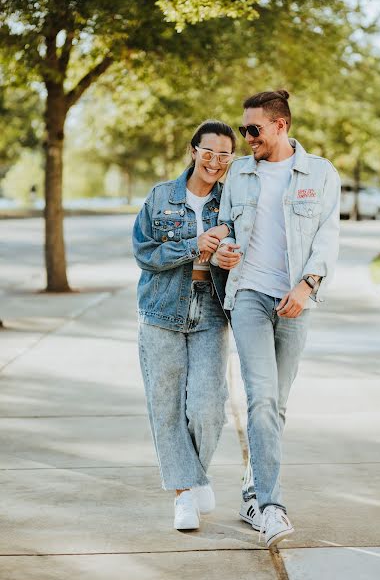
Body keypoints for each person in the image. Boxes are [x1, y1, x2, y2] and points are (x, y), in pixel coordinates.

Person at [212, 90, 341, 548]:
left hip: (295, 300)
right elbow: (226, 225)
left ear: (281, 125)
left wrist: (307, 286)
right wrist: (223, 248)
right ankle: (270, 506)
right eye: (244, 129)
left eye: (254, 130)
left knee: (277, 405)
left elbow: (327, 235)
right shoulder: (240, 174)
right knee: (262, 398)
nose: (247, 138)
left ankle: (251, 490)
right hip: (248, 294)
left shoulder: (319, 172)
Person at [132, 120, 235, 531]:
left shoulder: (231, 203)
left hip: (210, 309)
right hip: (161, 312)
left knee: (208, 406)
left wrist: (230, 259)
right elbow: (144, 253)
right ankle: (183, 496)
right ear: (193, 151)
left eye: (224, 154)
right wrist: (194, 245)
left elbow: (246, 248)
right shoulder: (160, 197)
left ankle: (194, 476)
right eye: (207, 152)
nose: (214, 161)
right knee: (167, 407)